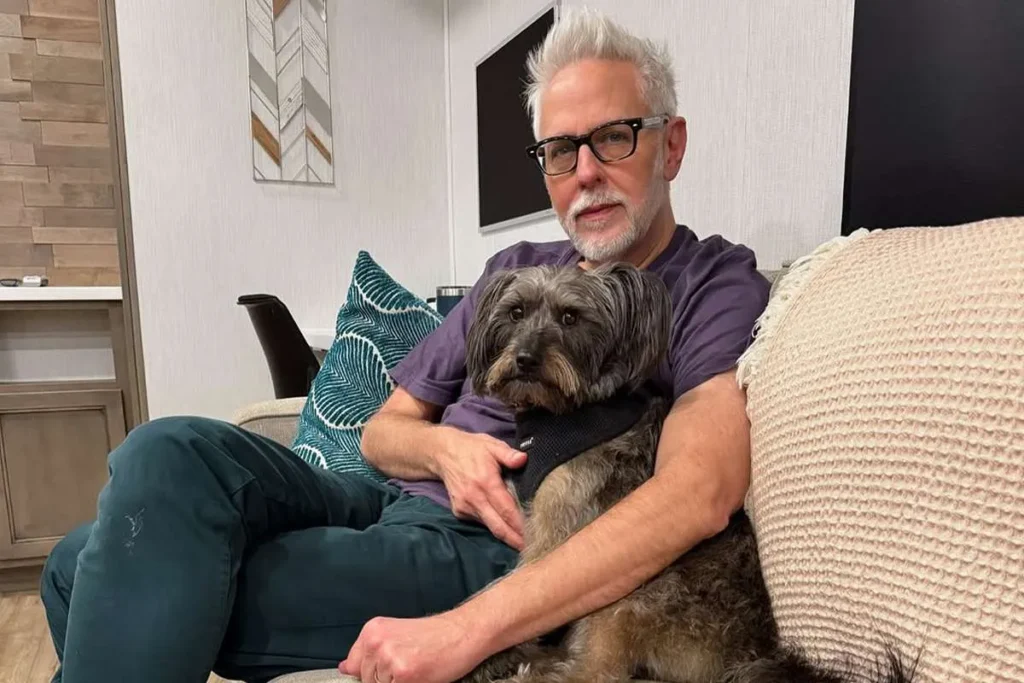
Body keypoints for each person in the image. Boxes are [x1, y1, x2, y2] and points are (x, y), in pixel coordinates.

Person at [40, 8, 768, 683]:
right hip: (381, 496)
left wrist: (470, 627)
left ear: (671, 144)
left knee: (88, 564)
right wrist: (447, 451)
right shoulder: (511, 269)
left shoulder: (710, 281)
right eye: (559, 150)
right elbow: (383, 432)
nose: (585, 172)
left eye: (613, 136)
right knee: (166, 450)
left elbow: (698, 492)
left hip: (481, 542)